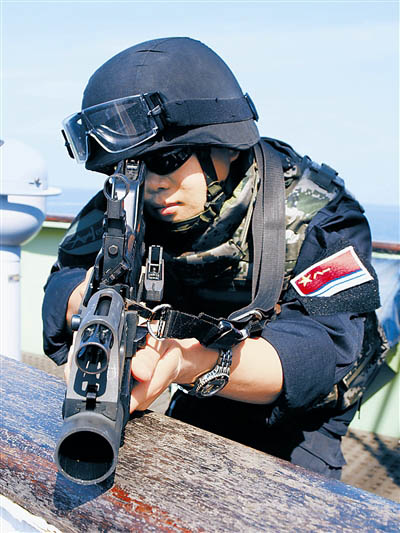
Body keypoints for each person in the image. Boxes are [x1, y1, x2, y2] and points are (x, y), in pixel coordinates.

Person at [42, 37, 382, 480]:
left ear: (225, 144)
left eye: (167, 158)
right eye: (130, 167)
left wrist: (189, 361)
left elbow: (320, 353)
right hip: (196, 386)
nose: (153, 184)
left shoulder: (320, 215)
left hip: (300, 418)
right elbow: (64, 278)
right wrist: (93, 304)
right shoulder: (132, 199)